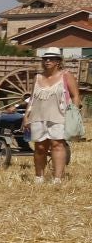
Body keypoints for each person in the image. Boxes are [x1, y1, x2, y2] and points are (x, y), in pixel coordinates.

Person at [26, 46, 78, 184]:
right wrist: (26, 116)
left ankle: (57, 178)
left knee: (57, 145)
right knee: (40, 147)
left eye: (51, 58)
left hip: (59, 115)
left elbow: (75, 96)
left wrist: (74, 113)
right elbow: (32, 98)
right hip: (38, 116)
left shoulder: (66, 75)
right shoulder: (38, 77)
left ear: (58, 61)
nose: (47, 60)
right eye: (45, 58)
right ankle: (39, 177)